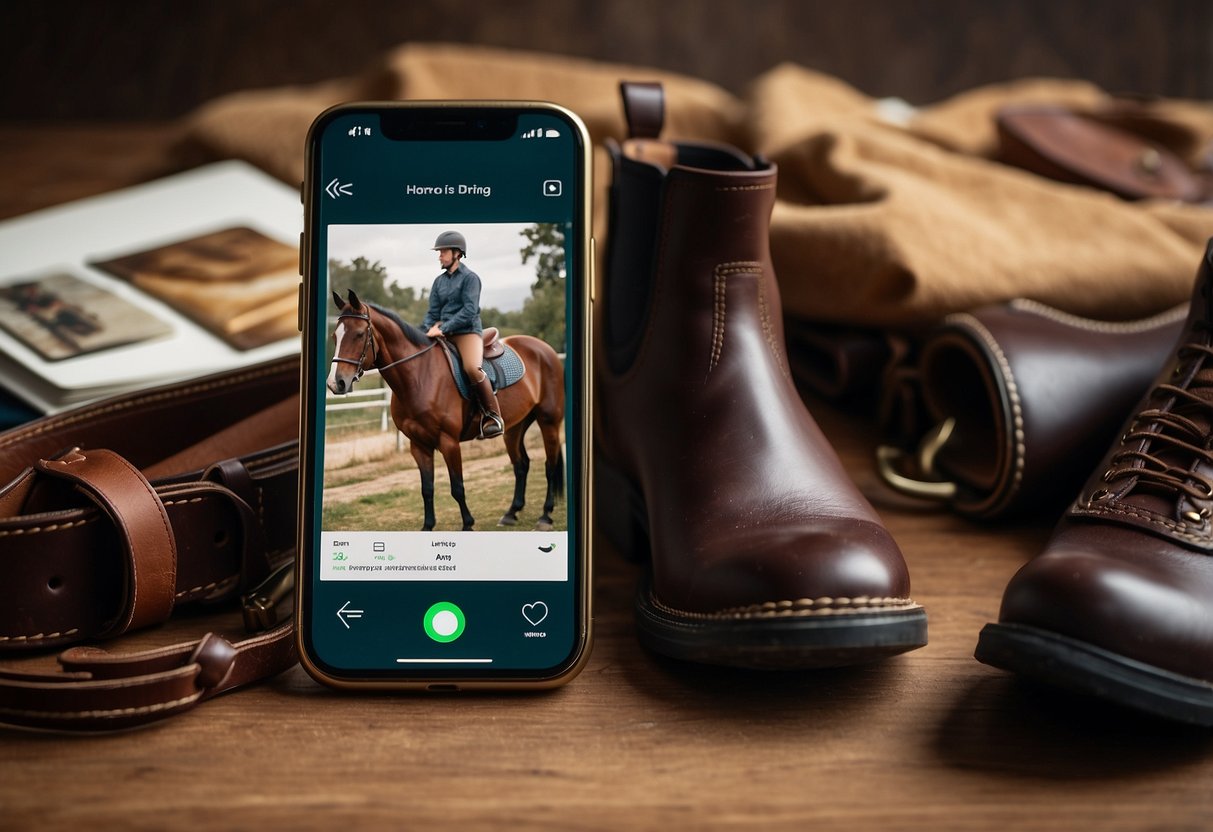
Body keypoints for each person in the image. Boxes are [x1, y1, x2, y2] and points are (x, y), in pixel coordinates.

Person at [422, 230, 504, 439]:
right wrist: (422, 331)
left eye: (443, 252)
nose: (439, 256)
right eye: (439, 252)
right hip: (443, 332)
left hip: (467, 332)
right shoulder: (438, 282)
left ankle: (492, 416)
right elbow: (432, 313)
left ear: (457, 253)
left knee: (472, 369)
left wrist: (443, 327)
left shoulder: (471, 279)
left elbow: (469, 311)